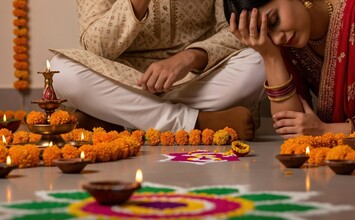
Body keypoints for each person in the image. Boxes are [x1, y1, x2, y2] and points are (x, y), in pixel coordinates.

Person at [50, 0, 267, 140]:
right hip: (124, 78)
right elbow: (96, 46)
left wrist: (189, 57)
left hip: (194, 77)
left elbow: (234, 32)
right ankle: (197, 122)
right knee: (61, 70)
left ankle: (117, 117)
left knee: (257, 62)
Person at [224, 0, 355, 139]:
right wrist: (269, 55)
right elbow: (293, 128)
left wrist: (326, 130)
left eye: (274, 20)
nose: (278, 37)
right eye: (266, 35)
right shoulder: (286, 44)